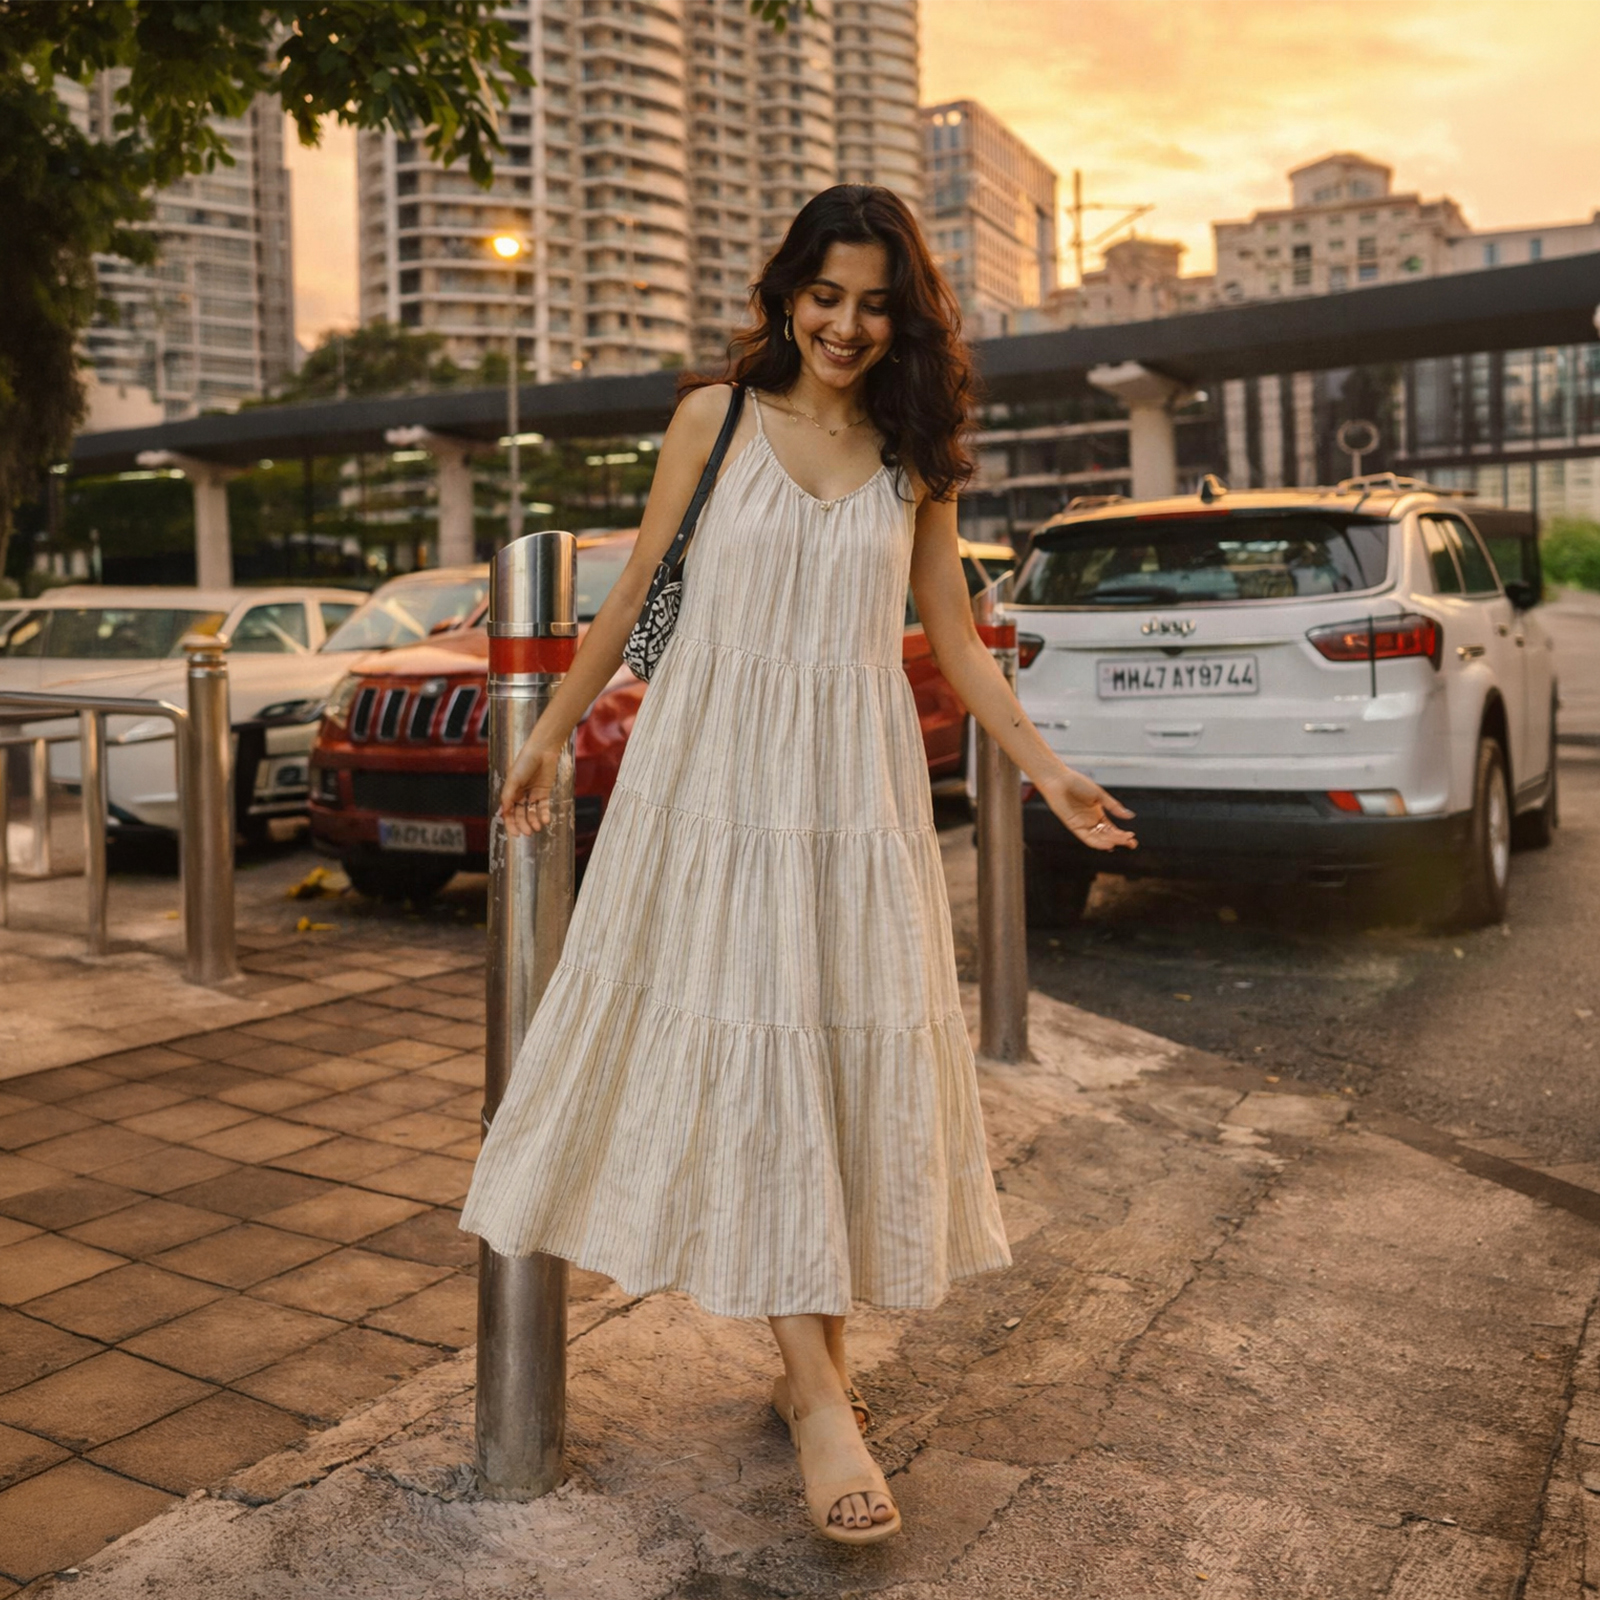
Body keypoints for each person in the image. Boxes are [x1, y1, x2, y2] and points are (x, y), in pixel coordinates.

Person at [460, 185, 1136, 1546]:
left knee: (822, 1057)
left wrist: (1045, 765)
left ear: (909, 313)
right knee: (761, 1048)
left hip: (851, 794)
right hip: (713, 786)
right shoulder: (714, 420)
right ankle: (822, 1399)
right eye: (823, 295)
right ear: (785, 294)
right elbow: (635, 583)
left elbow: (950, 637)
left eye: (875, 301)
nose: (844, 323)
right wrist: (541, 735)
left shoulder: (916, 453)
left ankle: (809, 1372)